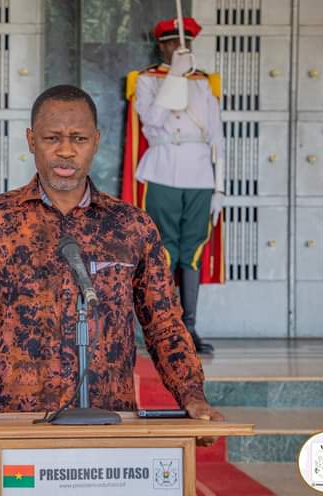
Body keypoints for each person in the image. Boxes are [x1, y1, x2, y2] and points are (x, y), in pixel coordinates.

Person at [0, 85, 223, 445]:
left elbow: (163, 324)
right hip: (16, 430)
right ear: (31, 140)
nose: (66, 150)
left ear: (96, 141)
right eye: (51, 138)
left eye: (79, 138)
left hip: (109, 428)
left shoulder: (131, 226)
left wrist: (192, 396)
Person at [131, 17, 226, 355]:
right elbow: (152, 120)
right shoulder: (147, 80)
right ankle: (162, 327)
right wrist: (173, 76)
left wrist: (220, 187)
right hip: (163, 171)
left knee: (193, 251)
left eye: (184, 44)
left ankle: (189, 328)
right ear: (162, 47)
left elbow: (217, 138)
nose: (179, 49)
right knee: (164, 250)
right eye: (172, 44)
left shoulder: (204, 83)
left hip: (199, 175)